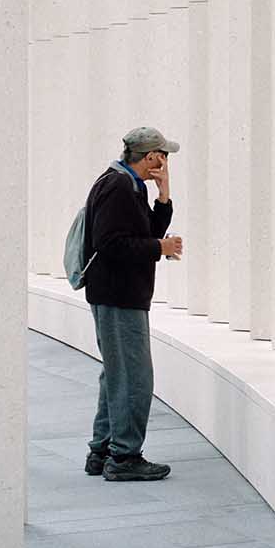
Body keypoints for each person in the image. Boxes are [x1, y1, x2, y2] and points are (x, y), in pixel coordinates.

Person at [82, 126, 184, 482]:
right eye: (164, 155)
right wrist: (160, 249)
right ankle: (124, 458)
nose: (167, 161)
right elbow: (110, 243)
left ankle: (103, 450)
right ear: (152, 156)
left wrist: (164, 195)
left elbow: (148, 230)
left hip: (117, 294)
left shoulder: (128, 184)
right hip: (119, 295)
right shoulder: (119, 187)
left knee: (117, 373)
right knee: (134, 378)